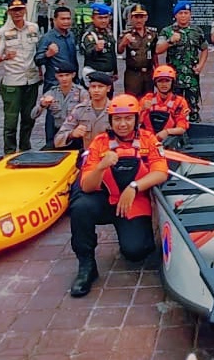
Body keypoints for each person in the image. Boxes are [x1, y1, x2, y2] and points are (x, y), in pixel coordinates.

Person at [68, 93, 170, 297]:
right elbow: (87, 186)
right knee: (80, 206)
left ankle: (129, 231)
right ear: (111, 121)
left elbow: (161, 172)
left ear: (136, 119)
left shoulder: (148, 139)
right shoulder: (100, 143)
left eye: (128, 118)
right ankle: (86, 266)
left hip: (132, 201)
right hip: (104, 198)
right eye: (117, 119)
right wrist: (100, 167)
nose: (122, 124)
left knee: (136, 252)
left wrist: (133, 187)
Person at [0, 0, 42, 155]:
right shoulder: (2, 32)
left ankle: (25, 147)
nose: (17, 13)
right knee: (11, 120)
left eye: (20, 9)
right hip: (13, 81)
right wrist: (4, 57)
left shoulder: (33, 28)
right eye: (14, 10)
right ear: (9, 11)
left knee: (29, 117)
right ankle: (9, 151)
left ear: (25, 10)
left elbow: (38, 51)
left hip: (32, 79)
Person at [156, 1, 208, 122]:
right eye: (181, 13)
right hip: (174, 77)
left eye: (186, 13)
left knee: (193, 108)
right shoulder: (167, 31)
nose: (183, 15)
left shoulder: (197, 31)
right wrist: (170, 41)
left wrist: (200, 65)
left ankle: (194, 131)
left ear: (190, 15)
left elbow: (204, 49)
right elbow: (158, 50)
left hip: (192, 76)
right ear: (175, 15)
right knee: (173, 107)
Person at [55, 73, 114, 150]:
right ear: (89, 89)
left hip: (110, 155)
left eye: (100, 87)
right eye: (93, 87)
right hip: (87, 156)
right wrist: (72, 134)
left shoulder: (115, 109)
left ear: (108, 88)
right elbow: (58, 139)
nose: (96, 90)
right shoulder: (80, 110)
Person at [139, 64, 190, 143]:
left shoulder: (180, 102)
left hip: (169, 141)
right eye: (160, 81)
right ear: (155, 83)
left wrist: (166, 132)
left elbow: (182, 128)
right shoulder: (147, 99)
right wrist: (141, 109)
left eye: (167, 81)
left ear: (172, 82)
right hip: (147, 141)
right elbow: (135, 123)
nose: (164, 84)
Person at [118, 3, 158, 98]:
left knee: (148, 100)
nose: (139, 20)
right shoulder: (126, 34)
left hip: (148, 73)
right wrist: (124, 42)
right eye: (136, 17)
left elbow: (154, 53)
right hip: (133, 74)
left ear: (146, 18)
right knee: (132, 101)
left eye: (141, 17)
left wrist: (157, 68)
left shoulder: (152, 34)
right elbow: (119, 51)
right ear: (131, 18)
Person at [36, 5, 79, 87]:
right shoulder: (47, 38)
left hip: (72, 82)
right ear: (54, 20)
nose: (66, 21)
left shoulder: (71, 35)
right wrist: (47, 54)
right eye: (63, 19)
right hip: (54, 83)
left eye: (68, 19)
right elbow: (37, 60)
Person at [80, 3, 118, 83]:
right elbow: (88, 52)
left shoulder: (108, 32)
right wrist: (96, 49)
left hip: (108, 76)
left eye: (106, 18)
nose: (104, 21)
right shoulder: (90, 34)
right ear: (93, 18)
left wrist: (115, 71)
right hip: (95, 77)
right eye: (100, 18)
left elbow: (112, 53)